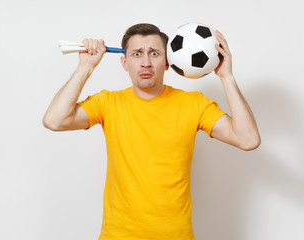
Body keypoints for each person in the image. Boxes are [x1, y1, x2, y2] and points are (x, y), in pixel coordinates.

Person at [43, 23, 260, 240]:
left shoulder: (193, 104)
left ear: (167, 62)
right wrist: (85, 67)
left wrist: (226, 77)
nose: (146, 63)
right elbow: (54, 120)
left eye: (154, 53)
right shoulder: (108, 103)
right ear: (124, 62)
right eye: (137, 54)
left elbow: (248, 139)